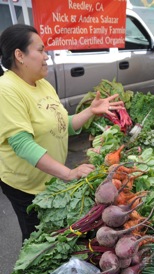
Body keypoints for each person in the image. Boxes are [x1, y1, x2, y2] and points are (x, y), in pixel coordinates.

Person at [0, 24, 124, 242]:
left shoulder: (43, 85)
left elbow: (62, 123)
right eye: (40, 50)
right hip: (26, 187)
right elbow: (22, 144)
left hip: (50, 181)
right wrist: (68, 174)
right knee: (36, 242)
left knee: (52, 236)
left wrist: (91, 110)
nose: (46, 57)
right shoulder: (7, 89)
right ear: (19, 55)